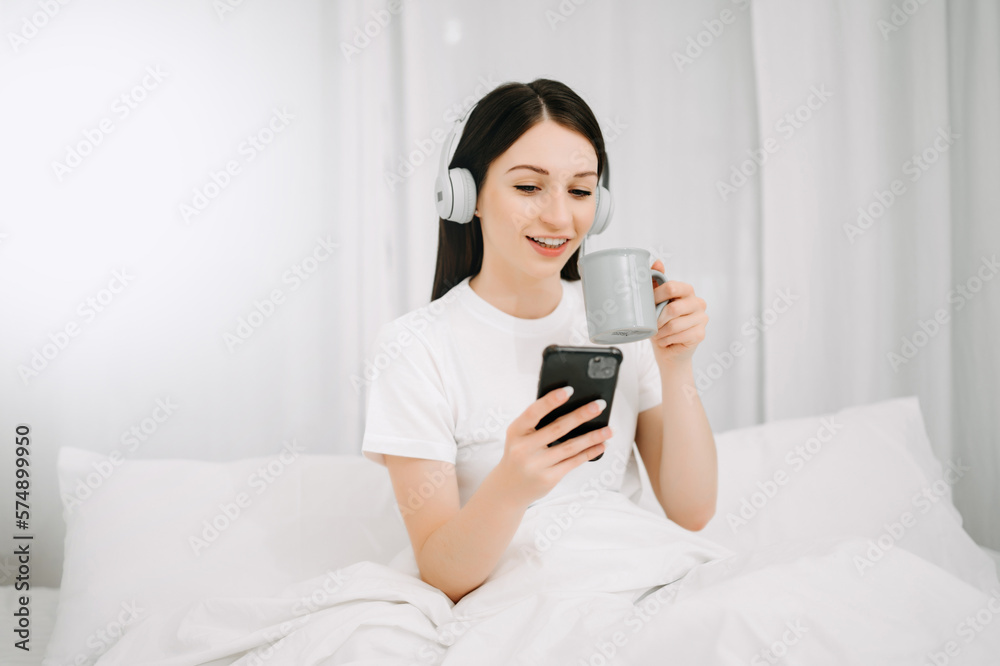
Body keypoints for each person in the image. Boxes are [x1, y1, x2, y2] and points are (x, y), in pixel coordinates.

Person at [361, 78, 719, 605]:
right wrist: (512, 484)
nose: (558, 217)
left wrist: (677, 366)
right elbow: (443, 572)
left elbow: (692, 513)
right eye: (529, 187)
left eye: (579, 191)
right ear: (466, 196)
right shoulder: (414, 347)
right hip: (525, 602)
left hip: (642, 582)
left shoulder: (619, 324)